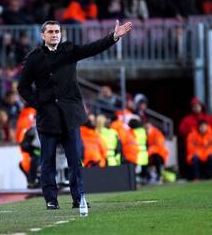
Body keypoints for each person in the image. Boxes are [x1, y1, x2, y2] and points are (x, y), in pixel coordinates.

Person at [17, 19, 132, 210]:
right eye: (51, 32)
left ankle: (79, 197)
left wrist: (113, 37)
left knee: (75, 160)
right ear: (42, 35)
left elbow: (92, 48)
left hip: (70, 115)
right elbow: (23, 87)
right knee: (47, 161)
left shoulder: (69, 50)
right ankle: (51, 200)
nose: (54, 34)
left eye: (57, 31)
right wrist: (39, 104)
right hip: (48, 116)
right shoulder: (34, 58)